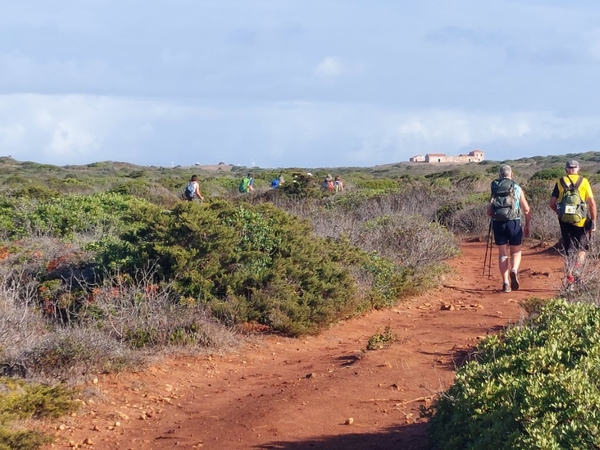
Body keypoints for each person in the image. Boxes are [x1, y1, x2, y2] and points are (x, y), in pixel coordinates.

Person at [548, 159, 597, 284]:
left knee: (569, 249)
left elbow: (552, 203)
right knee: (582, 249)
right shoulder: (584, 182)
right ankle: (577, 270)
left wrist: (559, 213)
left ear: (566, 170)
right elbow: (592, 204)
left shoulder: (560, 182)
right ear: (578, 169)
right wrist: (594, 221)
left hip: (564, 220)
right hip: (581, 220)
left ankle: (569, 279)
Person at [487, 165, 531, 293]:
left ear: (499, 175)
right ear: (512, 174)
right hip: (514, 223)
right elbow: (527, 209)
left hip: (498, 223)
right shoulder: (517, 188)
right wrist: (528, 224)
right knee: (516, 252)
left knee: (502, 254)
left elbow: (489, 211)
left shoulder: (495, 188)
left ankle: (505, 283)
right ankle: (514, 270)